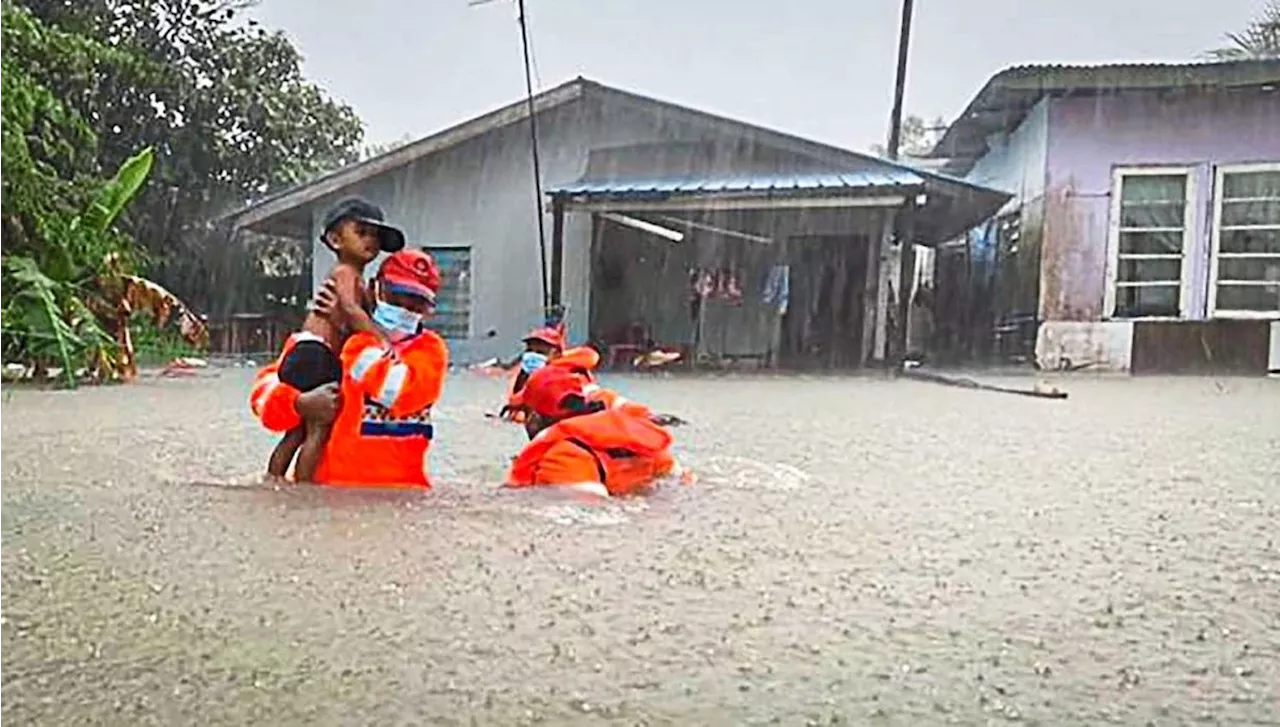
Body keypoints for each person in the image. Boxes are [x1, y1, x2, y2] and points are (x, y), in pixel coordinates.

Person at [251, 249, 448, 488]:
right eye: (396, 298)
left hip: (399, 498)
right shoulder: (326, 338)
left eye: (416, 305)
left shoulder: (430, 350)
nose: (404, 310)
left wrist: (359, 326)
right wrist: (299, 403)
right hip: (324, 497)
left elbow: (395, 392)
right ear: (374, 289)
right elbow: (262, 395)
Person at [261, 197, 406, 482]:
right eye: (362, 233)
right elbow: (352, 312)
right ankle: (305, 489)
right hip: (315, 354)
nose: (371, 242)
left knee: (299, 430)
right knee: (318, 429)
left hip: (311, 353)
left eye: (375, 236)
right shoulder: (345, 273)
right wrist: (382, 341)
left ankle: (273, 480)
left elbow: (355, 317)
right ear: (335, 240)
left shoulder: (360, 281)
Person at [505, 365, 677, 498]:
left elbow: (586, 515)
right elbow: (678, 483)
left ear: (533, 417)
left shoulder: (561, 456)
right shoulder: (639, 439)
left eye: (524, 412)